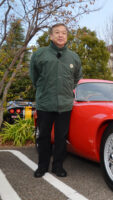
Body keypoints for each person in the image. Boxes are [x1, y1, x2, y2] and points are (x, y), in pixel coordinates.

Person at [30, 23, 82, 178]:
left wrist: (66, 91)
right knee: (44, 136)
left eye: (64, 33)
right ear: (51, 36)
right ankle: (42, 166)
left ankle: (58, 166)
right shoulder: (40, 54)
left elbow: (76, 78)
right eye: (57, 32)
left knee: (61, 137)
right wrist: (43, 89)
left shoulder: (74, 57)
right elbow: (34, 77)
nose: (61, 35)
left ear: (67, 36)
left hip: (65, 105)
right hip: (45, 103)